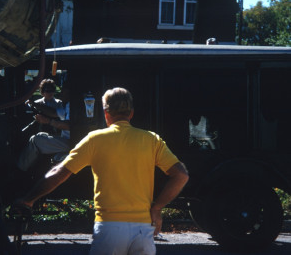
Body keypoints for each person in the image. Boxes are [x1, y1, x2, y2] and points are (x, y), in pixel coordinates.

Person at [15, 87, 189, 255]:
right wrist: (157, 208)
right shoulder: (152, 140)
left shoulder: (95, 139)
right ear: (131, 113)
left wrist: (28, 199)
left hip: (109, 228)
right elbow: (181, 175)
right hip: (143, 230)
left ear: (106, 113)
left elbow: (58, 174)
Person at [17, 79, 70, 172]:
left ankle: (19, 170)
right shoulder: (66, 106)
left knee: (36, 140)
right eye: (47, 91)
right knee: (39, 135)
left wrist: (48, 121)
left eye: (63, 91)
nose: (60, 93)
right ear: (42, 92)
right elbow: (53, 113)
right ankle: (31, 170)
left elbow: (69, 126)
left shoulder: (65, 105)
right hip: (64, 139)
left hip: (71, 142)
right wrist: (34, 104)